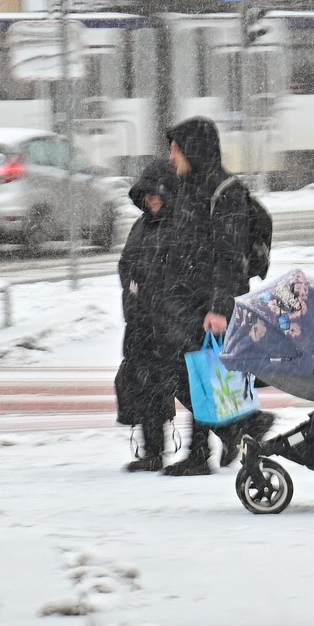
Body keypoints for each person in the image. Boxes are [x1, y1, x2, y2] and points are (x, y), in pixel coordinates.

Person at [156, 117, 274, 477]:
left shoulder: (226, 192)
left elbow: (229, 255)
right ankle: (225, 435)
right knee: (195, 377)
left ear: (194, 150)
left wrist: (219, 308)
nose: (172, 157)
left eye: (177, 150)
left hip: (210, 303)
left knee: (193, 375)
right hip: (187, 300)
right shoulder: (189, 189)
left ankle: (239, 428)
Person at [115, 159, 181, 472]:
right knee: (143, 384)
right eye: (148, 195)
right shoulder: (141, 226)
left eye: (158, 194)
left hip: (172, 323)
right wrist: (133, 292)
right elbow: (126, 264)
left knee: (187, 387)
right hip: (141, 322)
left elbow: (181, 272)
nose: (152, 199)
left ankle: (238, 429)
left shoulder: (181, 225)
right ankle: (153, 451)